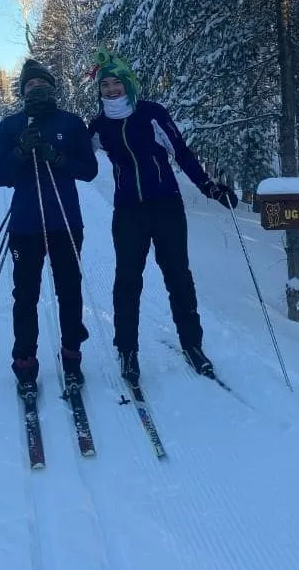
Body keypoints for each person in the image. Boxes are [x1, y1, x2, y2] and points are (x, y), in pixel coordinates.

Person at [86, 50, 237, 384]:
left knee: (178, 277)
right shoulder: (99, 125)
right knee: (127, 281)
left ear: (128, 83)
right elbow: (80, 159)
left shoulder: (151, 113)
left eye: (116, 83)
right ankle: (127, 351)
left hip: (166, 206)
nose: (111, 90)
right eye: (105, 85)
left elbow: (181, 152)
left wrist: (208, 187)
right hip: (128, 211)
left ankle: (193, 345)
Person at [0, 60, 98, 394]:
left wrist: (58, 157)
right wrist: (21, 150)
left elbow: (89, 170)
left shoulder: (70, 122)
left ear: (53, 89)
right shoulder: (11, 125)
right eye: (30, 86)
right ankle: (24, 362)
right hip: (25, 224)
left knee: (69, 290)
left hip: (65, 221)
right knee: (25, 294)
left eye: (43, 85)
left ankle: (72, 357)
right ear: (23, 92)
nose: (37, 90)